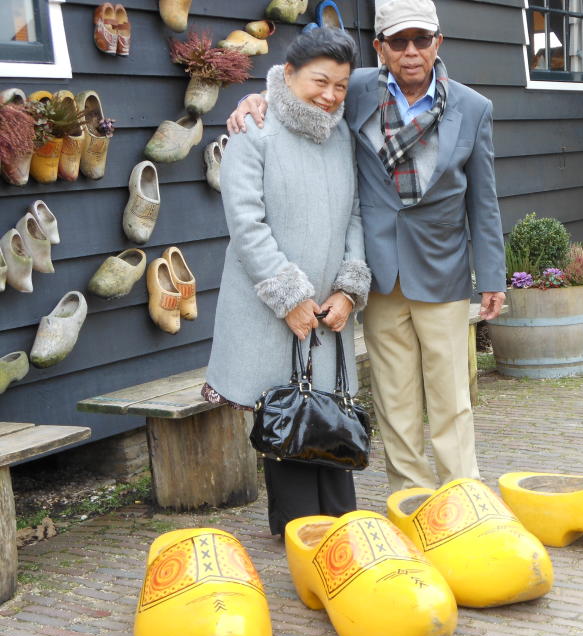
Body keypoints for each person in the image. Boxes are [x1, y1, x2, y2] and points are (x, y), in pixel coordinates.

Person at [228, 0, 506, 494]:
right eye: (398, 42)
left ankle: (463, 496)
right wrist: (253, 102)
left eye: (422, 39)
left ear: (437, 43)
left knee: (450, 396)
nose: (411, 51)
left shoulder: (473, 107)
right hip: (378, 273)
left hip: (442, 271)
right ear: (380, 49)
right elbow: (298, 87)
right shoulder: (354, 91)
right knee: (395, 396)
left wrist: (492, 276)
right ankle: (411, 496)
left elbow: (483, 201)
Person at [205, 27, 371, 535]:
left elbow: (355, 217)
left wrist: (348, 287)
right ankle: (300, 531)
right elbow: (246, 225)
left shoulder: (341, 133)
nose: (330, 95)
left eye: (341, 86)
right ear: (290, 73)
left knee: (329, 413)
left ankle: (341, 526)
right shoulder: (254, 132)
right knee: (287, 410)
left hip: (328, 308)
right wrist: (290, 296)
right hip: (271, 303)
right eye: (320, 81)